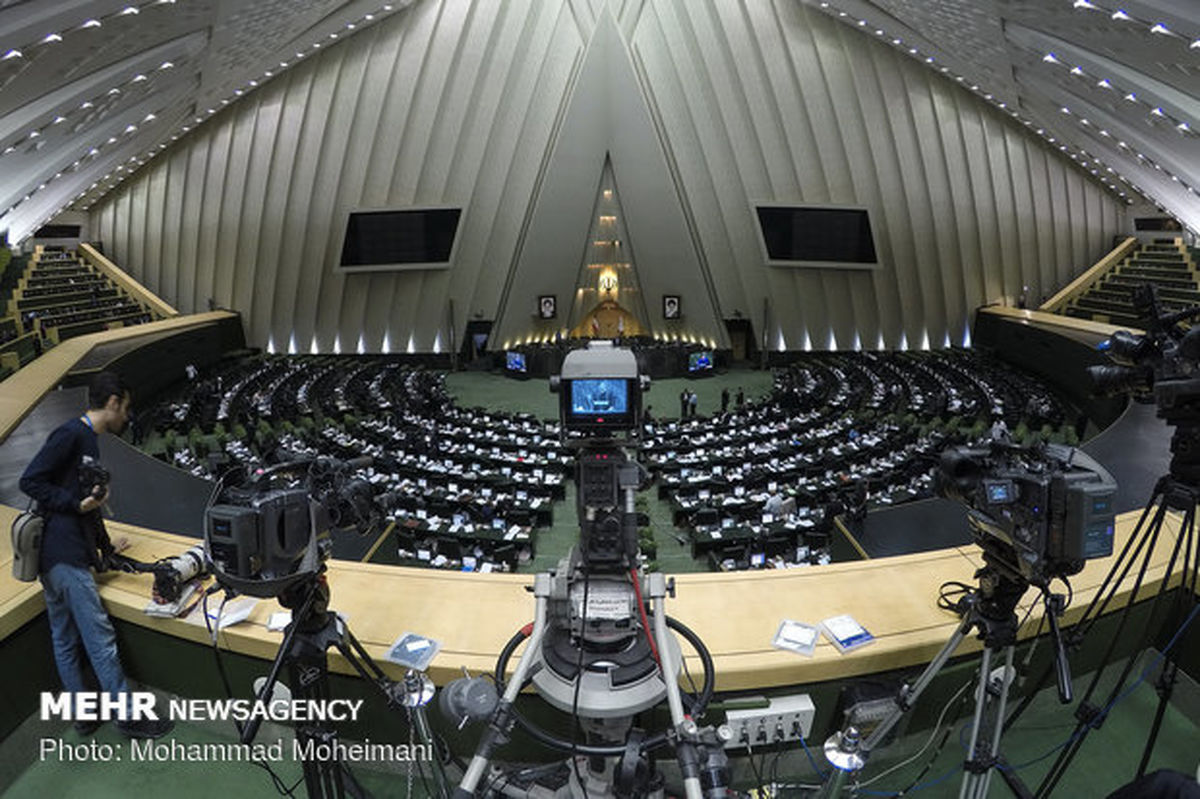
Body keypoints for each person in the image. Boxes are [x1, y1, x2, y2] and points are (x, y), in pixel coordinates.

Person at [19, 371, 174, 740]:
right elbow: (31, 481)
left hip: (55, 558)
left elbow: (88, 504)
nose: (127, 416)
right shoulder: (72, 434)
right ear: (113, 402)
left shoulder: (88, 438)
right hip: (64, 555)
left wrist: (106, 546)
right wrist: (76, 503)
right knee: (98, 638)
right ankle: (128, 717)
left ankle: (84, 716)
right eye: (126, 407)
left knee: (65, 638)